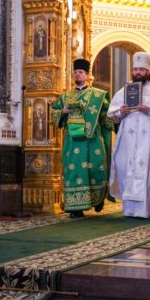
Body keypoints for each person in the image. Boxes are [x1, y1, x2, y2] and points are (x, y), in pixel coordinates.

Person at [108, 52, 150, 218]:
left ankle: (143, 210)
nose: (138, 73)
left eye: (141, 70)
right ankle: (128, 209)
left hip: (149, 138)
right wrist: (121, 111)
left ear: (148, 71)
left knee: (146, 170)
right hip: (128, 139)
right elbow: (113, 114)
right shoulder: (125, 90)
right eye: (135, 69)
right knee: (125, 167)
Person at [52, 59, 114, 218]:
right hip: (72, 142)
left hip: (93, 140)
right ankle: (75, 208)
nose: (77, 75)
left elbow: (107, 117)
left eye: (80, 72)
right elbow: (54, 112)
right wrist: (63, 112)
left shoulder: (98, 95)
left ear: (87, 75)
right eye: (75, 72)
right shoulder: (66, 97)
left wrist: (118, 121)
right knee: (74, 171)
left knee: (96, 169)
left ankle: (97, 199)